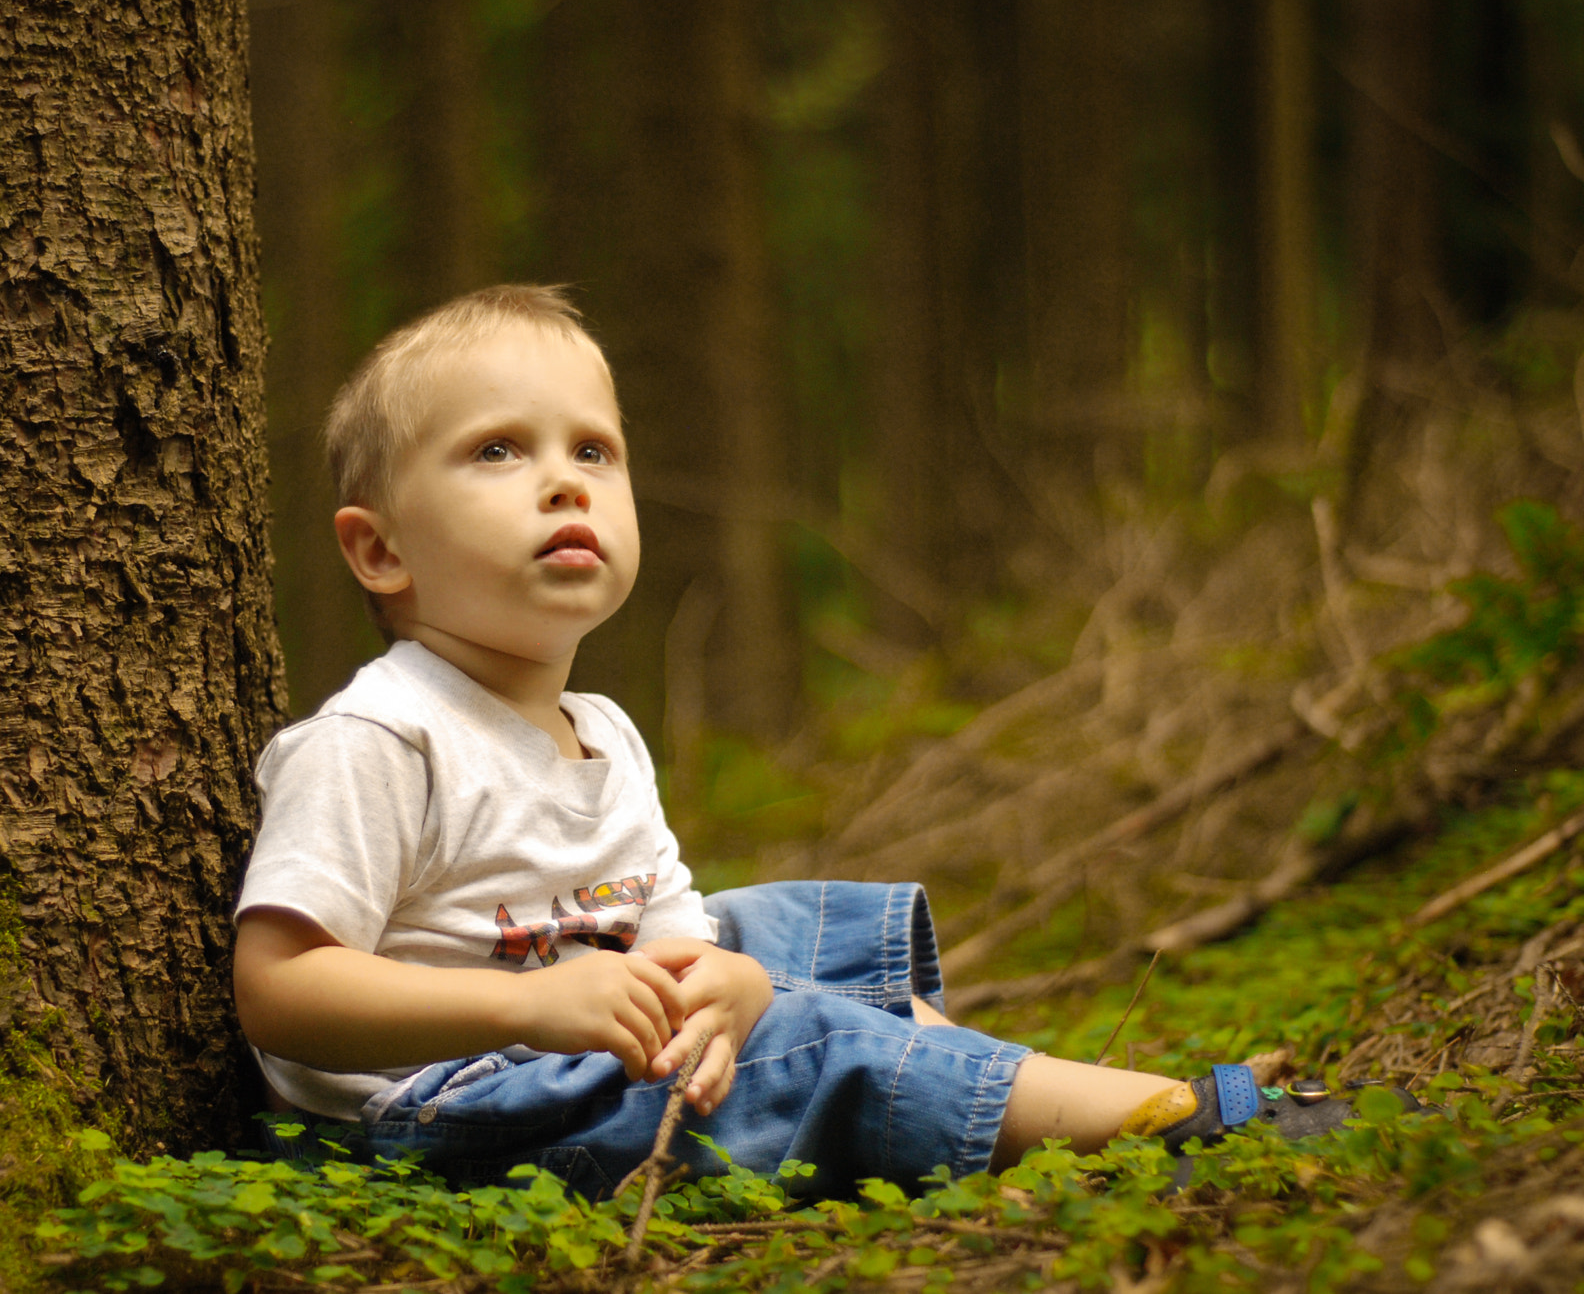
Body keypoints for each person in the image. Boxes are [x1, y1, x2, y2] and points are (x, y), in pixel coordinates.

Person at [230, 284, 1357, 1197]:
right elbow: (281, 989)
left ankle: (1013, 1091)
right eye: (495, 453)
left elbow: (666, 920)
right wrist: (526, 1006)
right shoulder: (381, 739)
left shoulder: (601, 731)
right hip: (453, 1099)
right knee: (808, 1033)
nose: (562, 480)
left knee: (790, 942)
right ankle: (1160, 1120)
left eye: (593, 450)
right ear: (379, 552)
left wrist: (719, 978)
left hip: (585, 1038)